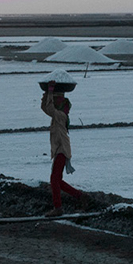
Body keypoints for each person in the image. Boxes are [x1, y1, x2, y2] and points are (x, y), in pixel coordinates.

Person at [41, 83, 83, 217]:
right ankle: (79, 196)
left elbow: (48, 108)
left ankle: (58, 208)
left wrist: (50, 91)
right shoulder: (57, 116)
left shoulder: (60, 116)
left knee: (54, 179)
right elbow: (45, 107)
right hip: (59, 150)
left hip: (62, 150)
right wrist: (47, 94)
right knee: (56, 180)